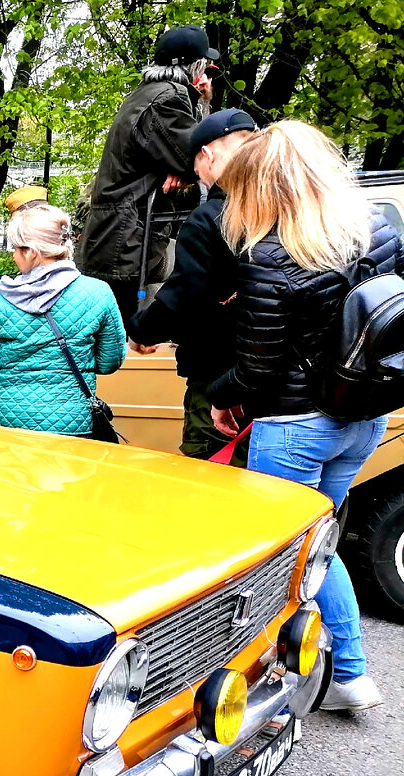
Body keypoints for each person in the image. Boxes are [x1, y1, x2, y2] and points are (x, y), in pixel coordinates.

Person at [205, 120, 403, 712]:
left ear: (264, 185)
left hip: (294, 424)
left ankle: (307, 679)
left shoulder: (270, 255)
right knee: (320, 545)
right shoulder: (379, 235)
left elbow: (257, 371)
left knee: (286, 556)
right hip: (363, 416)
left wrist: (219, 395)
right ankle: (346, 672)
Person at [127, 108, 257, 461]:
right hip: (277, 377)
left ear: (208, 155)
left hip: (218, 375)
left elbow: (187, 291)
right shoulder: (280, 208)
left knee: (207, 474)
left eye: (196, 169)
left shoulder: (210, 218)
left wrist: (141, 330)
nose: (199, 177)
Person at [77, 25, 219, 323]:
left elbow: (188, 156)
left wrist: (185, 168)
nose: (207, 77)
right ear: (193, 67)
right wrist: (189, 168)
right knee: (123, 339)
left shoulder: (148, 94)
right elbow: (204, 159)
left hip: (120, 233)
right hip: (126, 239)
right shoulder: (169, 99)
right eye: (205, 67)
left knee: (114, 331)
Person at [0, 203, 126, 435]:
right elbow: (109, 362)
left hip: (4, 421)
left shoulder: (0, 298)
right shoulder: (98, 292)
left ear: (31, 251)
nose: (13, 255)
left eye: (15, 248)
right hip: (70, 422)